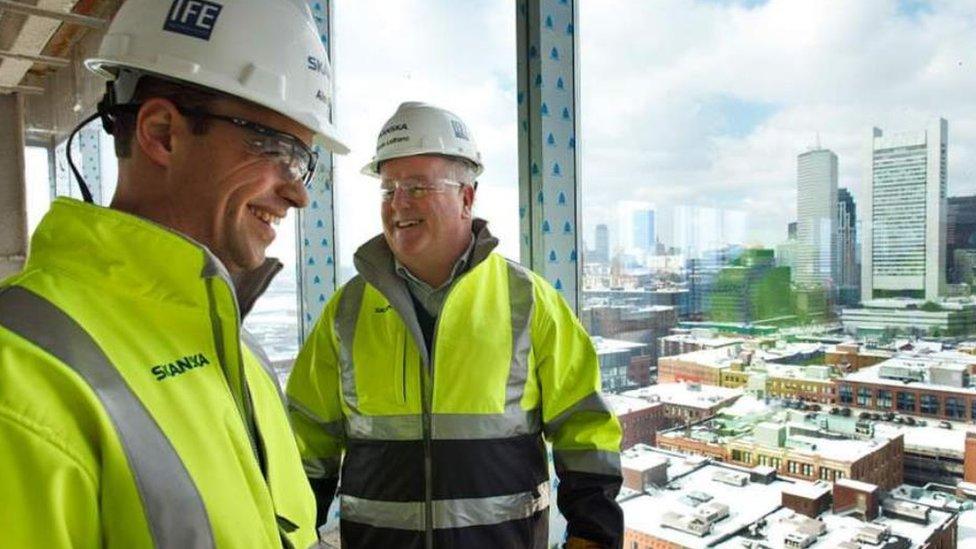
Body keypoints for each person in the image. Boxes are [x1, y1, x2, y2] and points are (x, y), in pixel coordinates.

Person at [0, 0, 347, 547]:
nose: (298, 191)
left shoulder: (237, 349)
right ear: (162, 133)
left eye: (303, 160)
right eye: (275, 148)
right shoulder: (21, 376)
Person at [286, 102, 623, 549]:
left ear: (467, 198)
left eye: (417, 186)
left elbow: (586, 429)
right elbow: (304, 443)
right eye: (388, 189)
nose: (398, 202)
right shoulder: (346, 311)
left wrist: (592, 534)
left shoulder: (529, 301)